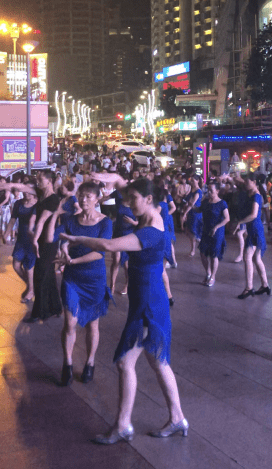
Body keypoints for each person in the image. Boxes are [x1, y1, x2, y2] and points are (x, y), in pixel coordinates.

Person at [60, 177, 187, 444]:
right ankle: (177, 419)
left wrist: (75, 237)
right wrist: (109, 180)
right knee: (157, 361)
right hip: (147, 299)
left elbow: (107, 246)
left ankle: (123, 425)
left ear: (149, 199)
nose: (128, 204)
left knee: (124, 362)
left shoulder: (151, 231)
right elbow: (121, 184)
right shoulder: (148, 218)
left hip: (149, 305)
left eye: (134, 200)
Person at [55, 182, 113, 386]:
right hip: (72, 278)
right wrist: (64, 249)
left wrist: (73, 261)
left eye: (89, 196)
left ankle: (90, 362)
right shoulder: (71, 219)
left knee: (92, 323)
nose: (84, 199)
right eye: (81, 196)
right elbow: (63, 238)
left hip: (93, 278)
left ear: (98, 199)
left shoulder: (105, 223)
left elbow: (100, 252)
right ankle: (68, 363)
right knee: (69, 322)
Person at [233, 173, 270, 299]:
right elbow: (239, 181)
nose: (246, 184)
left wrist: (240, 222)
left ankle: (249, 287)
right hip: (253, 228)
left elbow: (254, 214)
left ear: (254, 182)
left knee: (248, 257)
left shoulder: (256, 196)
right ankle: (265, 285)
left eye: (248, 182)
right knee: (256, 259)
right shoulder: (252, 193)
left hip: (255, 228)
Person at [3, 184, 38, 302]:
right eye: (23, 190)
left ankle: (31, 290)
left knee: (29, 266)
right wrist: (6, 233)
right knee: (16, 264)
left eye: (28, 190)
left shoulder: (38, 204)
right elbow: (13, 219)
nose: (25, 192)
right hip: (21, 238)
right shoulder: (18, 203)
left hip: (33, 238)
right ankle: (31, 286)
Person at [198, 181, 229, 286]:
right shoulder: (206, 201)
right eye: (208, 190)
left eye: (211, 190)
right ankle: (208, 272)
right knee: (202, 252)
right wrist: (189, 207)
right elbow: (199, 209)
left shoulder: (222, 203)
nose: (209, 192)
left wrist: (217, 227)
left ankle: (213, 276)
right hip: (206, 230)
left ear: (217, 191)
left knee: (213, 255)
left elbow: (227, 218)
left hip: (217, 232)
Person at [110, 187, 138, 295]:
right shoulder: (120, 202)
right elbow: (115, 215)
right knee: (116, 259)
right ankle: (112, 286)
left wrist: (132, 222)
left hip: (129, 234)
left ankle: (127, 285)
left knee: (126, 264)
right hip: (117, 232)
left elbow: (140, 223)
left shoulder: (134, 206)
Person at [181, 175, 203, 257]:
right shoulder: (191, 190)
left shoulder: (198, 191)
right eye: (191, 180)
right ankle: (193, 249)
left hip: (196, 213)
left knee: (194, 231)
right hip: (190, 212)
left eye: (193, 180)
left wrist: (185, 213)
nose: (191, 182)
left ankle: (201, 246)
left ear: (197, 181)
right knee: (190, 232)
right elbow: (188, 201)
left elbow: (192, 203)